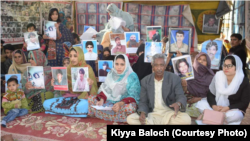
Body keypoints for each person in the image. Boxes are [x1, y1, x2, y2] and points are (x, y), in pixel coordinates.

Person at [127, 54, 191, 125]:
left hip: (169, 113)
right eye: (156, 65)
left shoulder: (174, 78)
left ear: (165, 65)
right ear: (152, 65)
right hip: (152, 114)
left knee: (186, 119)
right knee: (130, 119)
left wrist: (178, 103)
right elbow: (143, 101)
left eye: (161, 65)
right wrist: (143, 112)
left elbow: (181, 96)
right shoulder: (145, 81)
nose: (159, 68)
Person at [43, 47, 98, 117]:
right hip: (68, 98)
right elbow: (64, 89)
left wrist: (90, 84)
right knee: (46, 103)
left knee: (84, 105)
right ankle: (72, 112)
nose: (72, 59)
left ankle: (62, 111)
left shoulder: (87, 68)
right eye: (70, 56)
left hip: (81, 98)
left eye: (75, 56)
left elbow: (93, 90)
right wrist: (55, 83)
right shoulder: (68, 68)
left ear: (80, 55)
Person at [196, 55, 250, 125]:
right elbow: (210, 94)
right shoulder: (218, 76)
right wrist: (214, 106)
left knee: (237, 115)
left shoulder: (243, 81)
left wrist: (228, 108)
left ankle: (211, 118)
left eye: (229, 66)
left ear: (237, 67)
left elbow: (244, 102)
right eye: (224, 65)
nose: (225, 68)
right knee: (200, 104)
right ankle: (219, 119)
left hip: (231, 110)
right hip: (217, 107)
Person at [88, 54, 140, 122]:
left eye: (122, 64)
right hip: (110, 100)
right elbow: (106, 88)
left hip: (123, 102)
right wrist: (102, 100)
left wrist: (120, 103)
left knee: (131, 108)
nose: (119, 67)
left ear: (126, 64)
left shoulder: (132, 76)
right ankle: (116, 116)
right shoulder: (111, 73)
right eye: (117, 64)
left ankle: (105, 114)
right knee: (90, 99)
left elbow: (133, 95)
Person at [180, 53, 214, 118]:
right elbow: (181, 93)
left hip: (205, 101)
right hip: (188, 102)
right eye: (199, 59)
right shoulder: (188, 73)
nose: (201, 61)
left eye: (204, 60)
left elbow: (213, 95)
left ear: (207, 63)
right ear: (195, 61)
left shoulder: (211, 77)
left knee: (204, 107)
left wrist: (200, 98)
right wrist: (184, 86)